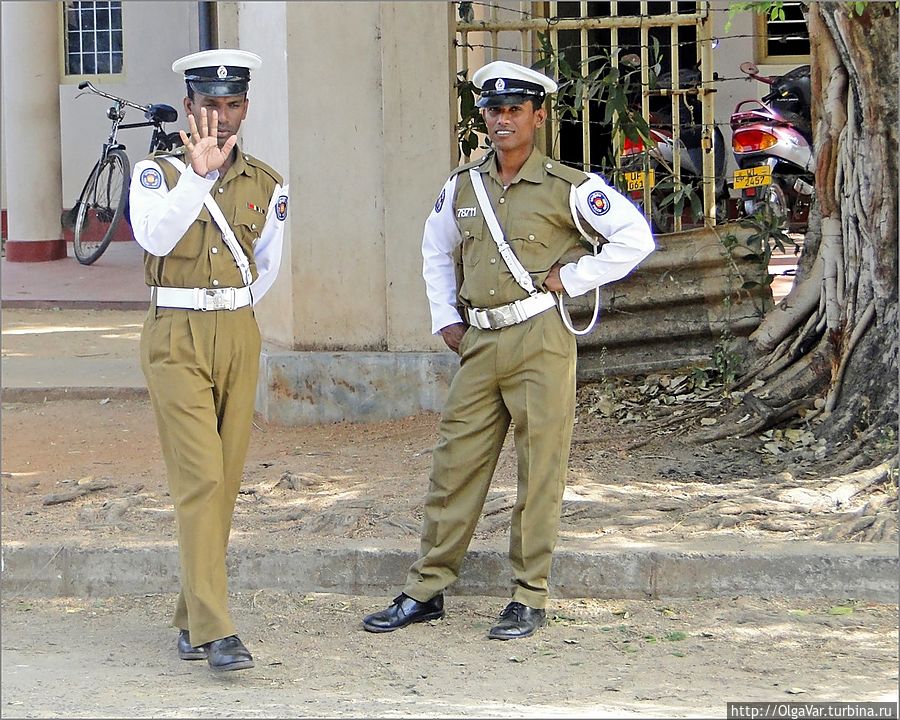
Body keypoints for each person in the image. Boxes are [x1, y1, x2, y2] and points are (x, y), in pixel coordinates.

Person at [362, 60, 654, 640]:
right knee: (454, 464)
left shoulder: (569, 187)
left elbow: (635, 239)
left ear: (538, 117)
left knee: (539, 468)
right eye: (493, 110)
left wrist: (571, 279)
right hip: (480, 339)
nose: (502, 120)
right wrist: (446, 318)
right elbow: (436, 249)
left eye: (515, 110)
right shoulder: (463, 186)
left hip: (539, 337)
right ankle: (427, 588)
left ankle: (528, 595)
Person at [129, 49, 289, 671]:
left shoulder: (267, 182)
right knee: (199, 477)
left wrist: (233, 304)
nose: (219, 118)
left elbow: (267, 262)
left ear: (245, 107)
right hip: (176, 333)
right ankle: (215, 629)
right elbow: (156, 238)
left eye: (231, 104)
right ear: (189, 105)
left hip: (237, 329)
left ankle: (190, 610)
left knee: (223, 481)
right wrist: (196, 176)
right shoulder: (155, 174)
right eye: (208, 104)